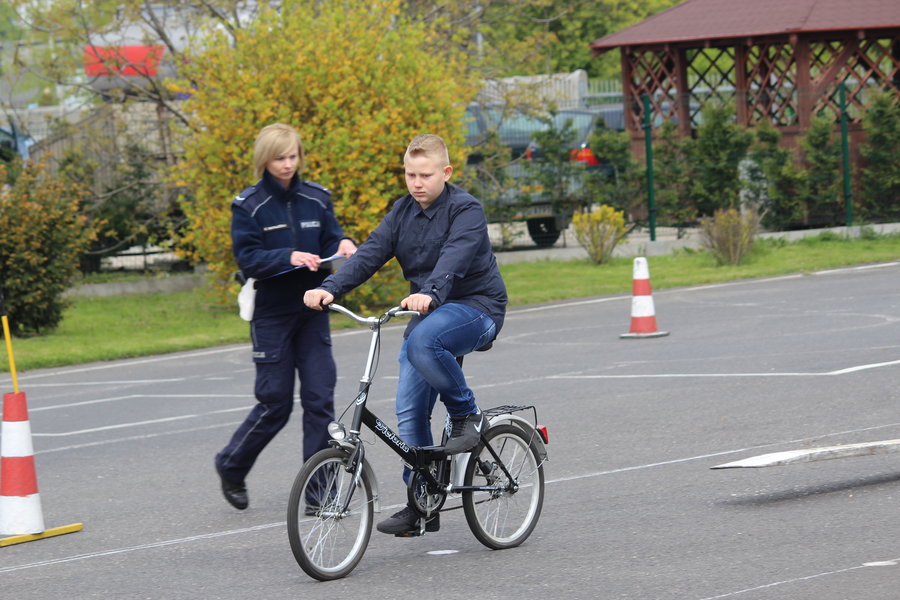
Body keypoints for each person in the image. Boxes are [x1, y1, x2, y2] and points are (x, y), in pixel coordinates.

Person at [304, 133, 507, 535]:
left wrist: (429, 292)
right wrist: (331, 287)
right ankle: (422, 502)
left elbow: (455, 257)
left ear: (446, 173)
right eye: (410, 174)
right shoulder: (402, 212)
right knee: (409, 411)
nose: (417, 182)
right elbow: (369, 253)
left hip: (476, 308)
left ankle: (465, 413)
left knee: (421, 341)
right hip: (430, 313)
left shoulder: (466, 209)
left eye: (426, 174)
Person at [215, 123, 357, 510]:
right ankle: (231, 465)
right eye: (280, 158)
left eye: (293, 156)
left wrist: (341, 244)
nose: (288, 164)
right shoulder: (249, 205)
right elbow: (247, 259)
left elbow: (331, 238)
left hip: (314, 312)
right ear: (265, 159)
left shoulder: (316, 198)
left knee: (319, 400)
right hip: (272, 315)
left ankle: (318, 493)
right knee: (275, 403)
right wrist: (288, 257)